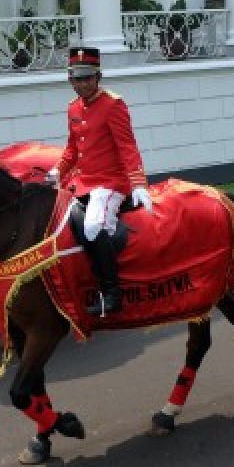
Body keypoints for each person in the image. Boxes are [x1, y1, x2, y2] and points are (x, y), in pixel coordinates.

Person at [46, 47, 152, 316]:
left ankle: (111, 294)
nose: (82, 84)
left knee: (93, 226)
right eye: (77, 79)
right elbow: (73, 148)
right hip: (82, 182)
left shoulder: (113, 104)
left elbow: (127, 147)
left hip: (109, 182)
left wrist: (138, 182)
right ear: (70, 80)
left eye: (88, 78)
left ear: (98, 77)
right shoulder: (73, 108)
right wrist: (57, 171)